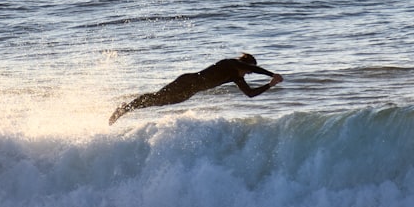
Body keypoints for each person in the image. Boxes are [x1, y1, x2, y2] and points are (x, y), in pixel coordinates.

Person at [109, 53, 283, 125]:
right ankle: (125, 108)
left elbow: (250, 94)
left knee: (158, 103)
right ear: (244, 64)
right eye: (248, 69)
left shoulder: (235, 77)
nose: (248, 73)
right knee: (157, 96)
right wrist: (271, 74)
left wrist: (269, 85)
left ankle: (127, 108)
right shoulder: (229, 64)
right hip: (187, 81)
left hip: (189, 92)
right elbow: (255, 69)